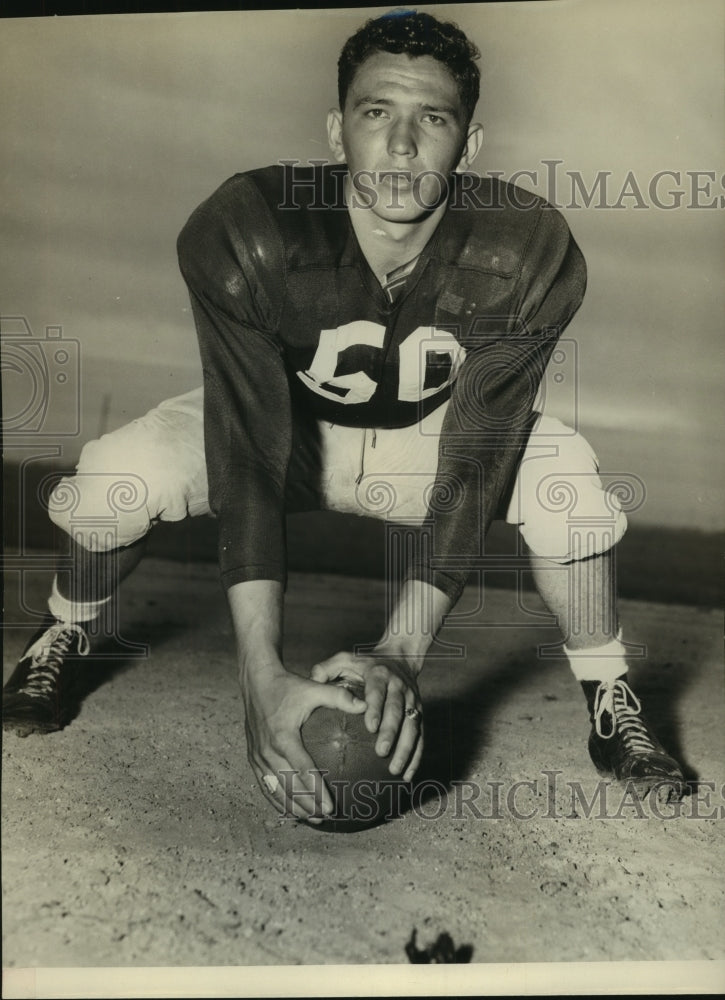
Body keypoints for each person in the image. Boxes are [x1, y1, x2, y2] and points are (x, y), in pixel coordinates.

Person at [3, 10, 685, 822]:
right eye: (375, 114)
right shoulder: (250, 226)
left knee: (567, 484)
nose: (401, 145)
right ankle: (66, 632)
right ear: (336, 130)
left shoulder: (526, 247)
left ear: (467, 147)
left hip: (435, 440)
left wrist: (400, 653)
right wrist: (261, 678)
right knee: (117, 475)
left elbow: (477, 459)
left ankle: (610, 698)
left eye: (431, 119)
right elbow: (249, 453)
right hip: (284, 429)